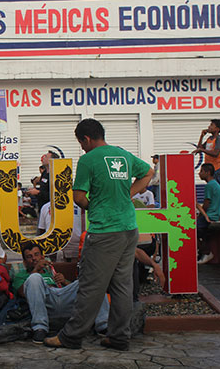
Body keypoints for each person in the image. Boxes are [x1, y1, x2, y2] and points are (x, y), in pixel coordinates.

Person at [44, 118, 152, 351]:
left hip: (105, 231)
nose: (81, 147)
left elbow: (79, 197)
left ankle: (71, 337)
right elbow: (148, 172)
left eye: (81, 143)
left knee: (90, 287)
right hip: (129, 229)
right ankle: (119, 337)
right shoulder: (122, 155)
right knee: (122, 287)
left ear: (86, 138)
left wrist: (93, 206)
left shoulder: (88, 160)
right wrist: (128, 194)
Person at [12, 241, 109, 344]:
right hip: (46, 302)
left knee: (91, 281)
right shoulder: (21, 276)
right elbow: (23, 293)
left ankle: (104, 326)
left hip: (63, 297)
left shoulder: (51, 272)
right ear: (25, 261)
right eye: (29, 257)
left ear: (42, 256)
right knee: (34, 278)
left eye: (37, 255)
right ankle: (40, 329)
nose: (34, 258)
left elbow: (77, 290)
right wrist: (36, 270)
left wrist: (64, 281)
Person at [196, 163, 220, 265]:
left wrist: (200, 216)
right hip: (215, 215)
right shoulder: (216, 184)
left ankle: (206, 252)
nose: (199, 174)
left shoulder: (209, 185)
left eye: (201, 171)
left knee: (192, 231)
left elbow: (206, 204)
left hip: (209, 216)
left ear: (207, 173)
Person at [193, 119, 220, 184]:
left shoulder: (219, 139)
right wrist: (201, 136)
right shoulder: (209, 139)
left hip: (215, 169)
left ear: (217, 129)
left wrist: (202, 150)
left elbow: (216, 153)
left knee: (215, 188)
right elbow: (199, 148)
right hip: (209, 169)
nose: (209, 127)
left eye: (211, 125)